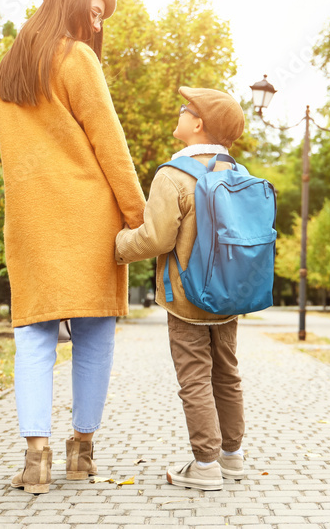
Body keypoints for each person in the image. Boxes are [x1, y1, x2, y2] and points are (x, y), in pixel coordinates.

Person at [0, 0, 146, 494]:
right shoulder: (75, 57)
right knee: (94, 336)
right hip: (86, 217)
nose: (97, 26)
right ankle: (82, 451)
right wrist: (138, 215)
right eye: (94, 13)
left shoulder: (7, 73)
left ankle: (36, 459)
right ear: (72, 7)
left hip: (31, 220)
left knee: (33, 337)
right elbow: (109, 139)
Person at [115, 87, 247, 491]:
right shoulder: (237, 174)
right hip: (228, 294)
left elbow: (156, 239)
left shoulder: (172, 176)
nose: (179, 112)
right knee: (226, 374)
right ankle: (232, 457)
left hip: (186, 297)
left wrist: (118, 246)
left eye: (184, 109)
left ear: (198, 124)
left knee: (194, 377)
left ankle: (205, 466)